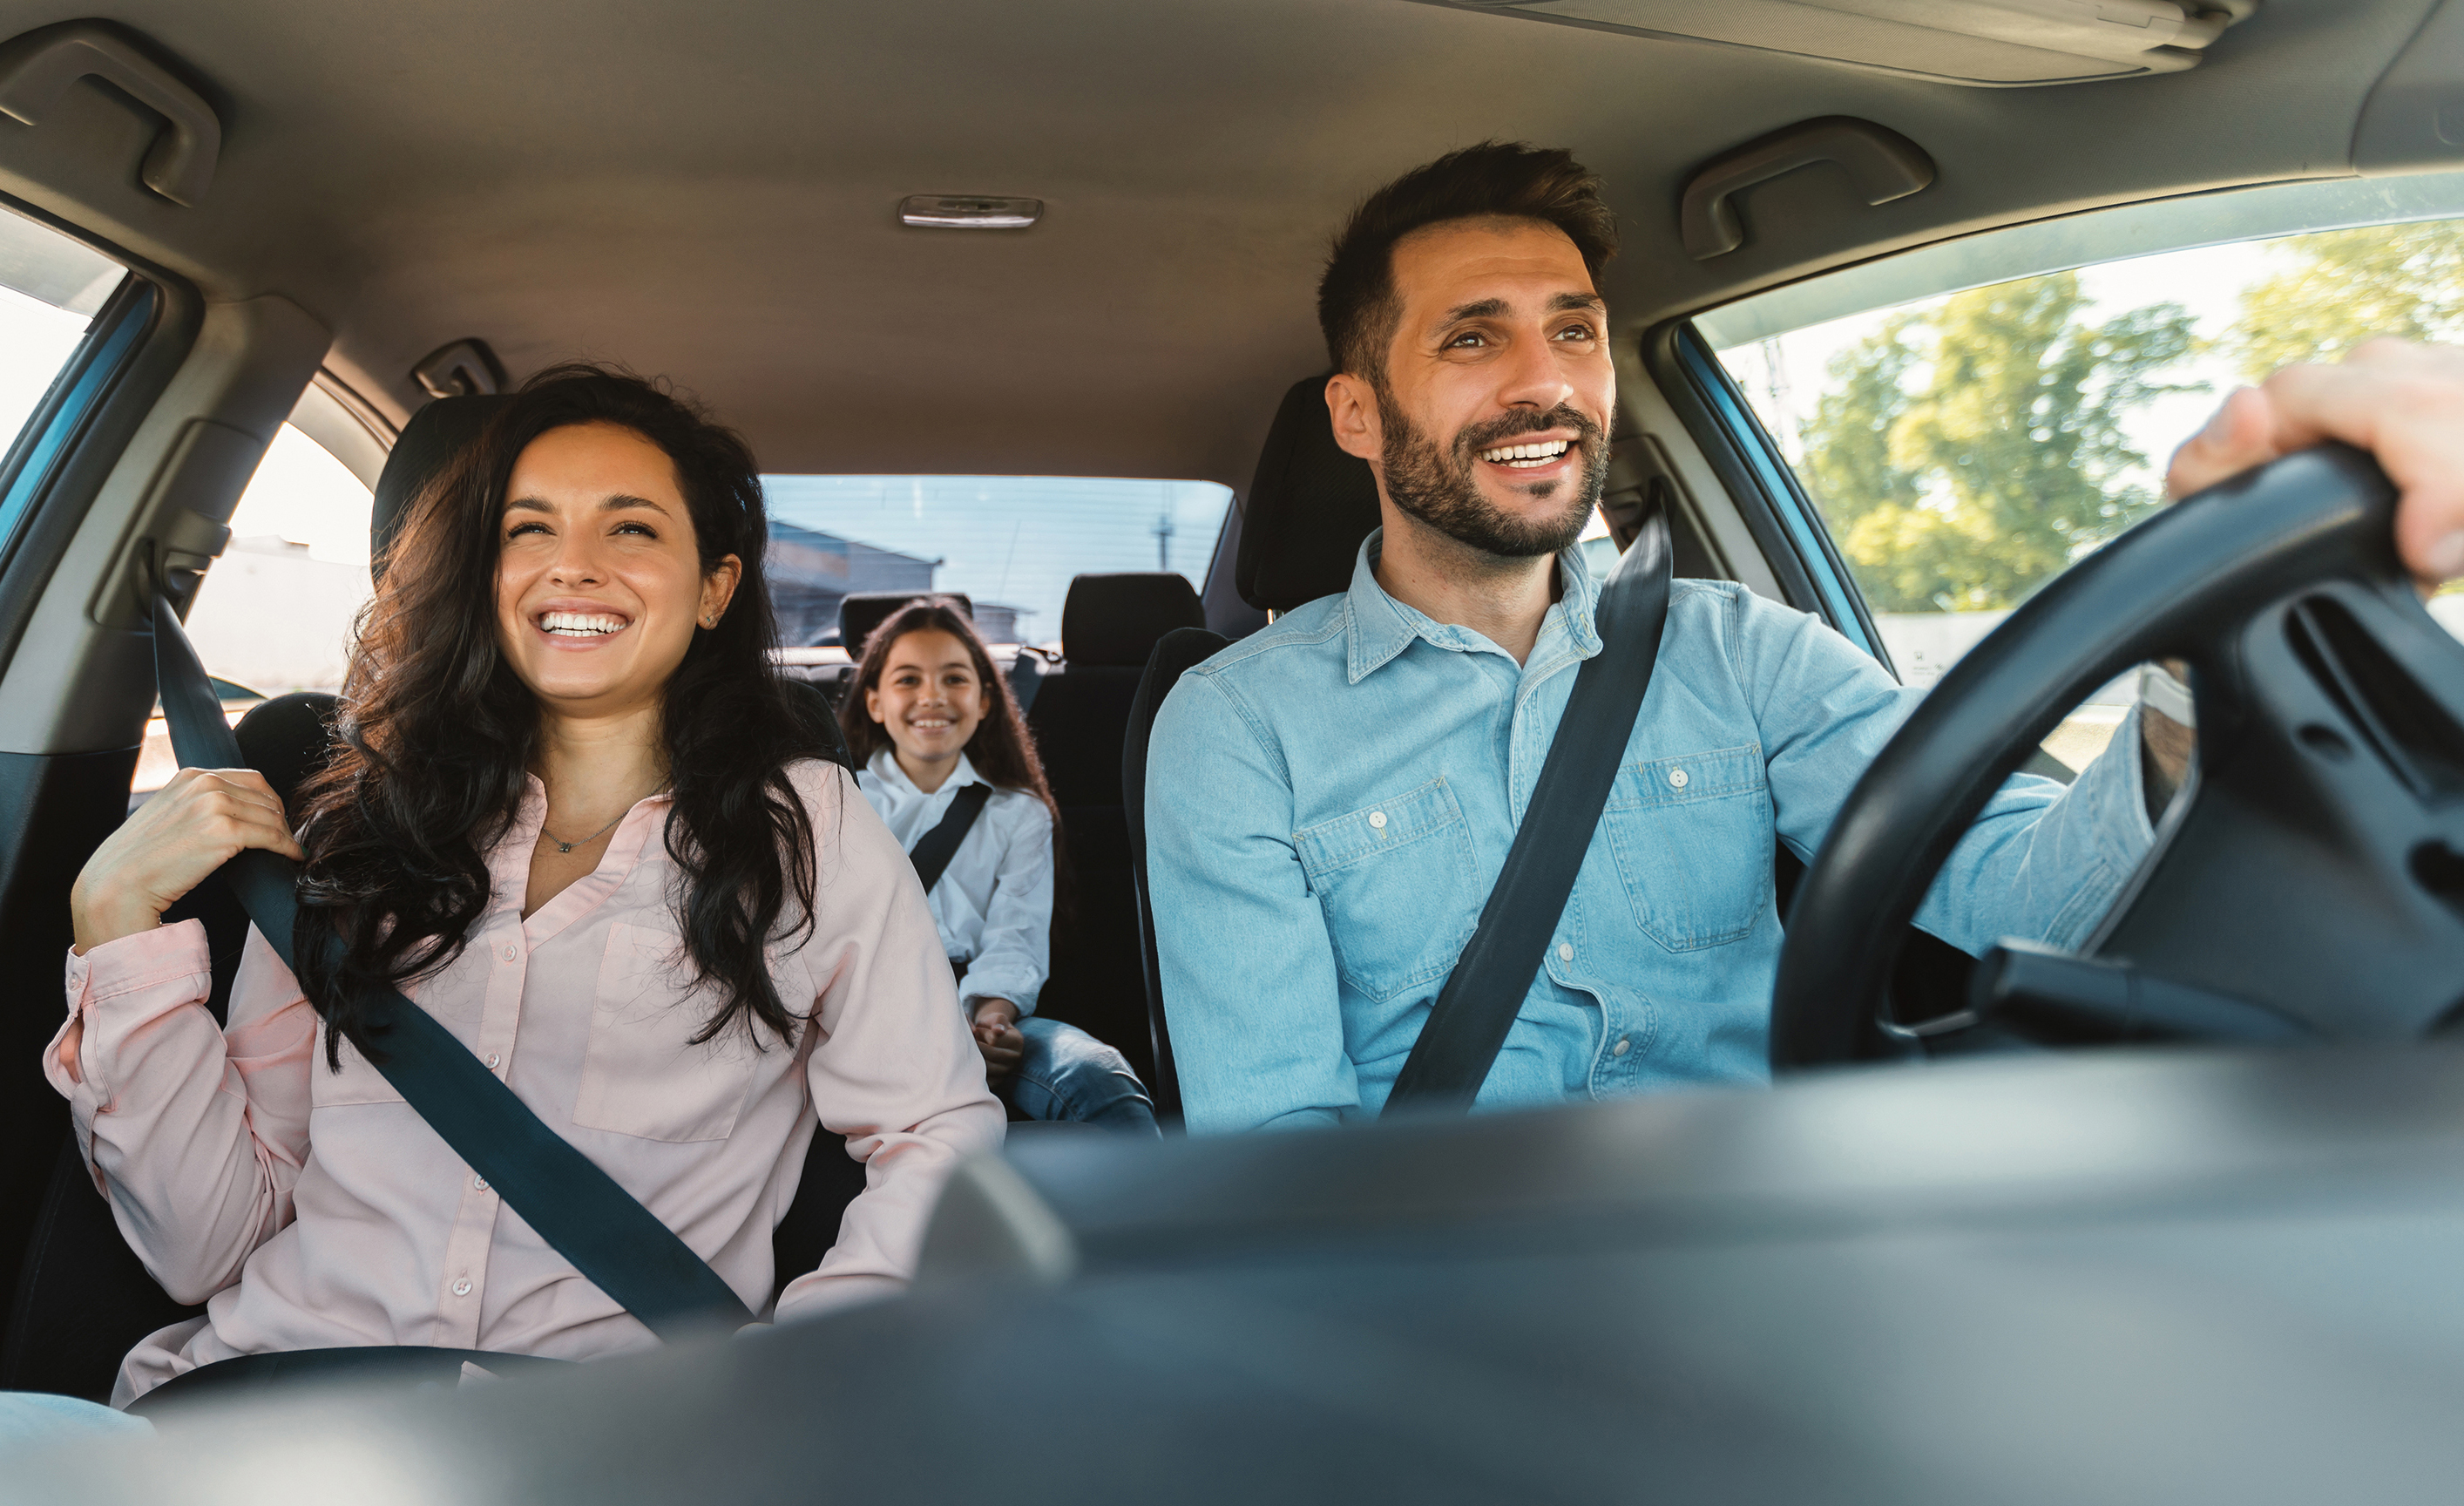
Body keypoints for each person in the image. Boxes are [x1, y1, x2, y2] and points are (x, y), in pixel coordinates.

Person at [1143, 141, 2464, 1135]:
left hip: (1769, 1262)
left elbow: (2046, 900)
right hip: (1443, 1298)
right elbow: (1280, 1151)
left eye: (1575, 330)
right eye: (1471, 339)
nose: (1542, 380)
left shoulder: (1742, 655)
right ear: (1358, 417)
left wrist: (2199, 646)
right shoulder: (1238, 726)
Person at [36, 365, 1003, 1425]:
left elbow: (935, 1135)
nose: (572, 568)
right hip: (267, 1410)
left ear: (715, 586)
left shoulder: (808, 830)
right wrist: (116, 933)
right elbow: (203, 1247)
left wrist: (778, 1395)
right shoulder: (352, 834)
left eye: (630, 530)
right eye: (526, 530)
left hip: (595, 1443)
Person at [841, 598, 1160, 1134]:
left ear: (985, 701)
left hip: (981, 1008)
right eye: (908, 680)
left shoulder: (1019, 814)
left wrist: (989, 1019)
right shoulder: (839, 803)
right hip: (865, 1019)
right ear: (874, 702)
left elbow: (1017, 935)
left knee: (1103, 1081)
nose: (933, 697)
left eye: (955, 679)